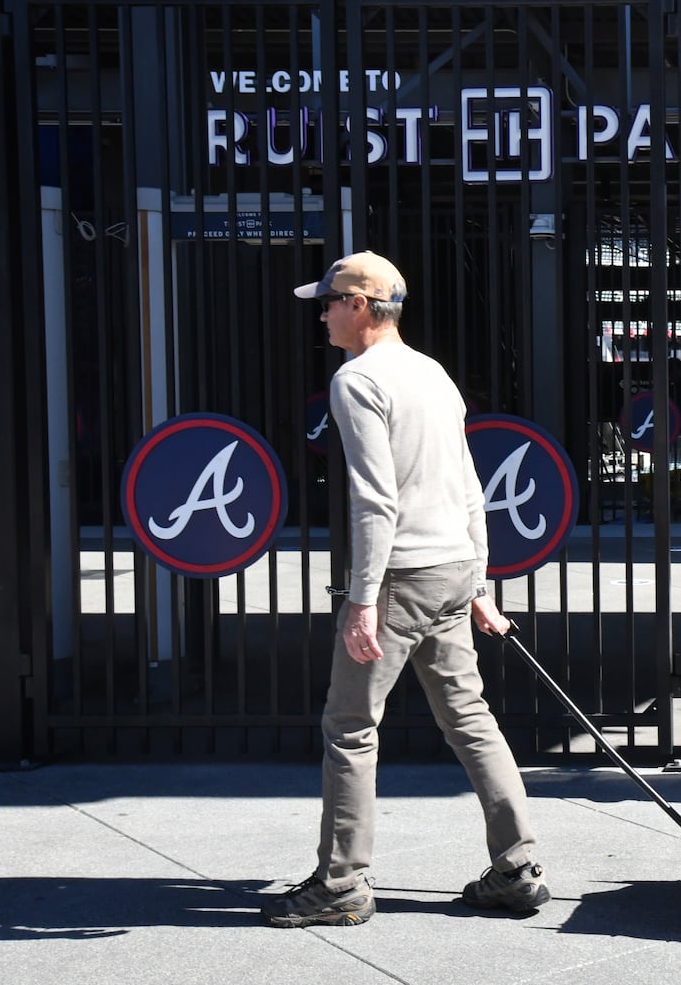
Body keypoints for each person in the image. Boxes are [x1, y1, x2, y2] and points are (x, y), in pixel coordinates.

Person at [261, 250, 548, 928]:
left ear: (359, 306)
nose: (322, 313)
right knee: (470, 720)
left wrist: (362, 601)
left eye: (329, 301)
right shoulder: (434, 376)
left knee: (350, 728)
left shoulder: (357, 381)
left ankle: (340, 883)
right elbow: (470, 490)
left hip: (401, 577)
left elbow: (374, 501)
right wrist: (480, 582)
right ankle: (518, 865)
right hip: (450, 568)